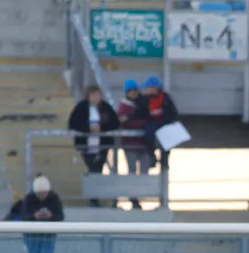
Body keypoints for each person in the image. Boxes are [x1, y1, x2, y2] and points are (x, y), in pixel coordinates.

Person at [5, 175, 65, 253]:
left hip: (48, 234)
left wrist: (51, 217)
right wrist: (34, 217)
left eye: (44, 194)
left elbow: (60, 216)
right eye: (40, 194)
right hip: (31, 236)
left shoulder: (54, 199)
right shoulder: (28, 200)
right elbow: (23, 217)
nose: (42, 197)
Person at [67, 85, 120, 207]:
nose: (96, 97)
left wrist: (102, 127)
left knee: (97, 169)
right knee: (93, 168)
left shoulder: (106, 108)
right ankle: (93, 197)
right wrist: (88, 129)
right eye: (93, 95)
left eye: (98, 94)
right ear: (88, 96)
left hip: (102, 145)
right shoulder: (81, 107)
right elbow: (73, 123)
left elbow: (115, 123)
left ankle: (94, 197)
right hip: (86, 145)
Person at [130, 76, 179, 169]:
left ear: (155, 88)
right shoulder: (144, 99)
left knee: (167, 137)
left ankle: (165, 159)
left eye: (148, 88)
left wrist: (168, 121)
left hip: (164, 122)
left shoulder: (165, 98)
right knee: (149, 134)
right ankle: (152, 156)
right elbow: (137, 113)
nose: (146, 90)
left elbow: (173, 112)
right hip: (151, 122)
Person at [116, 79, 148, 210]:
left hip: (144, 144)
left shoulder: (143, 103)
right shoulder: (123, 106)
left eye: (135, 91)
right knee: (132, 171)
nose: (133, 94)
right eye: (130, 91)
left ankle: (141, 194)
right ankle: (133, 197)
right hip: (130, 144)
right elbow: (125, 123)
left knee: (145, 170)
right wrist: (142, 123)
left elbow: (147, 118)